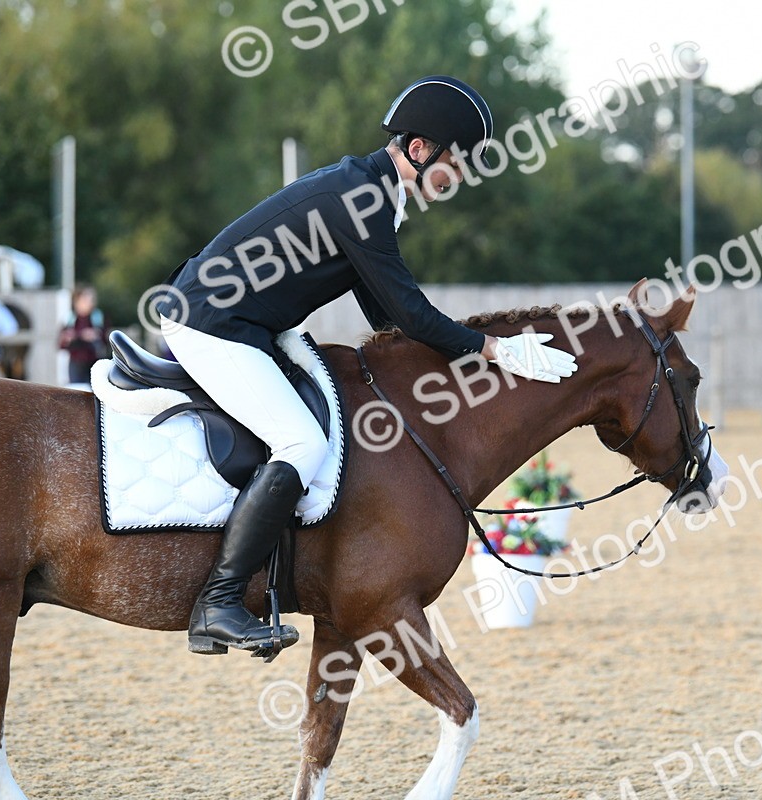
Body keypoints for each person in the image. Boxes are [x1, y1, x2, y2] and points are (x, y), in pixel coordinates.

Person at [155, 75, 577, 657]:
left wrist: (472, 361)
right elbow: (409, 311)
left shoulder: (369, 193)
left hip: (255, 325)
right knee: (301, 444)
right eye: (457, 163)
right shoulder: (364, 200)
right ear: (421, 149)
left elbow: (389, 321)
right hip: (210, 324)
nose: (460, 180)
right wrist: (498, 351)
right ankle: (219, 602)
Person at [58, 285, 109, 387]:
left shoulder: (98, 317)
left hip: (94, 363)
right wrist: (75, 337)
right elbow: (60, 344)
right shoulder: (69, 318)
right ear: (77, 301)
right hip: (75, 364)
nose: (90, 303)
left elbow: (106, 341)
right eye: (86, 299)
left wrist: (96, 335)